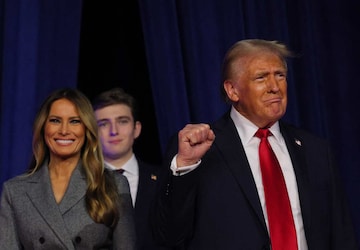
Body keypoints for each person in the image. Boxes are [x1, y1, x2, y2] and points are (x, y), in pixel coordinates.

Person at [151, 39, 359, 249]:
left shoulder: (316, 150)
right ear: (232, 90)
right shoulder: (199, 150)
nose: (274, 87)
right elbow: (168, 235)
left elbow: (342, 235)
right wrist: (186, 165)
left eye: (280, 75)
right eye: (261, 78)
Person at [0, 88, 136, 249]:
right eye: (55, 120)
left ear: (86, 129)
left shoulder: (114, 184)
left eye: (74, 121)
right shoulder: (15, 191)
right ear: (43, 127)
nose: (64, 131)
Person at [92, 87, 168, 250]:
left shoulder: (164, 180)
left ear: (137, 129)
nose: (114, 131)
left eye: (122, 121)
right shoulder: (80, 184)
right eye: (104, 124)